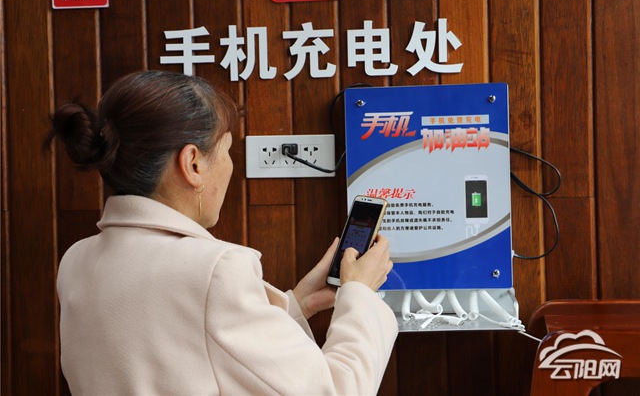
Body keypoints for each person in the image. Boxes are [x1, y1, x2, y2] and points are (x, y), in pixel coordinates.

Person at [51, 70, 398, 395]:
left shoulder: (76, 261)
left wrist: (298, 304)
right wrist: (359, 292)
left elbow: (185, 350)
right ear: (193, 164)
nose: (230, 165)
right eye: (227, 150)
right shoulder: (215, 270)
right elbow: (337, 389)